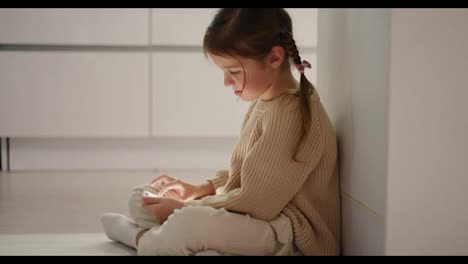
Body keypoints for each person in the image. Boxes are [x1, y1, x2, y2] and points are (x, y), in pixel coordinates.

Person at [100, 8, 341, 256]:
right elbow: (248, 176)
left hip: (291, 234)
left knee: (189, 223)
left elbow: (258, 203)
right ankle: (181, 239)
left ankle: (142, 239)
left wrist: (182, 208)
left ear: (274, 58)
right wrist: (198, 190)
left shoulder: (291, 113)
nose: (226, 82)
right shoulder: (265, 102)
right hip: (262, 216)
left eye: (234, 72)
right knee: (144, 197)